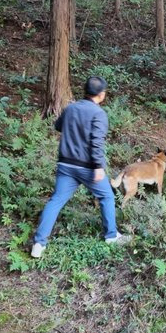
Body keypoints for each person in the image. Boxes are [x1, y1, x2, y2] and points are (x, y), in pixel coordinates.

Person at [31, 76, 131, 259]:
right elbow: (96, 142)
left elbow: (58, 126)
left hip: (65, 164)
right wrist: (99, 166)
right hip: (87, 166)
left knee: (56, 201)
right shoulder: (99, 114)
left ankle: (39, 243)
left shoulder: (70, 108)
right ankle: (111, 236)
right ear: (101, 95)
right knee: (106, 196)